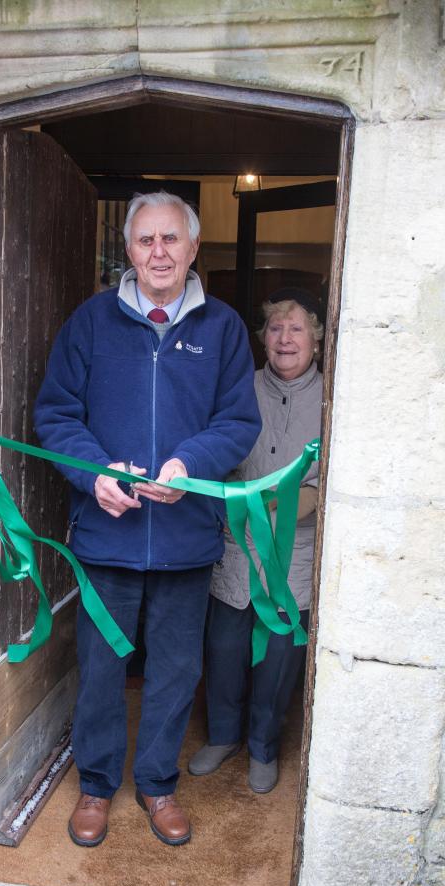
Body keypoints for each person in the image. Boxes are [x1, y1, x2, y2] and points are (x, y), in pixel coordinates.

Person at [33, 191, 261, 847]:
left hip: (187, 540)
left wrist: (190, 464)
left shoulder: (222, 330)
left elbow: (239, 422)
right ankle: (98, 786)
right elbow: (56, 415)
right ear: (129, 250)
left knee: (175, 673)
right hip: (109, 536)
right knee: (102, 670)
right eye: (145, 240)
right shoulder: (90, 323)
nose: (157, 252)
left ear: (193, 249)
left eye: (170, 239)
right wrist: (93, 472)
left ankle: (157, 784)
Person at [189, 287, 323, 794]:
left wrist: (273, 507)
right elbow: (217, 455)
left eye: (295, 329)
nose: (284, 339)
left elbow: (325, 481)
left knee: (278, 659)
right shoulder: (239, 387)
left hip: (294, 555)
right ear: (262, 338)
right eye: (274, 329)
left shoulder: (333, 397)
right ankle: (223, 736)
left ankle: (264, 747)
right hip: (235, 546)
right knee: (223, 647)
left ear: (316, 337)